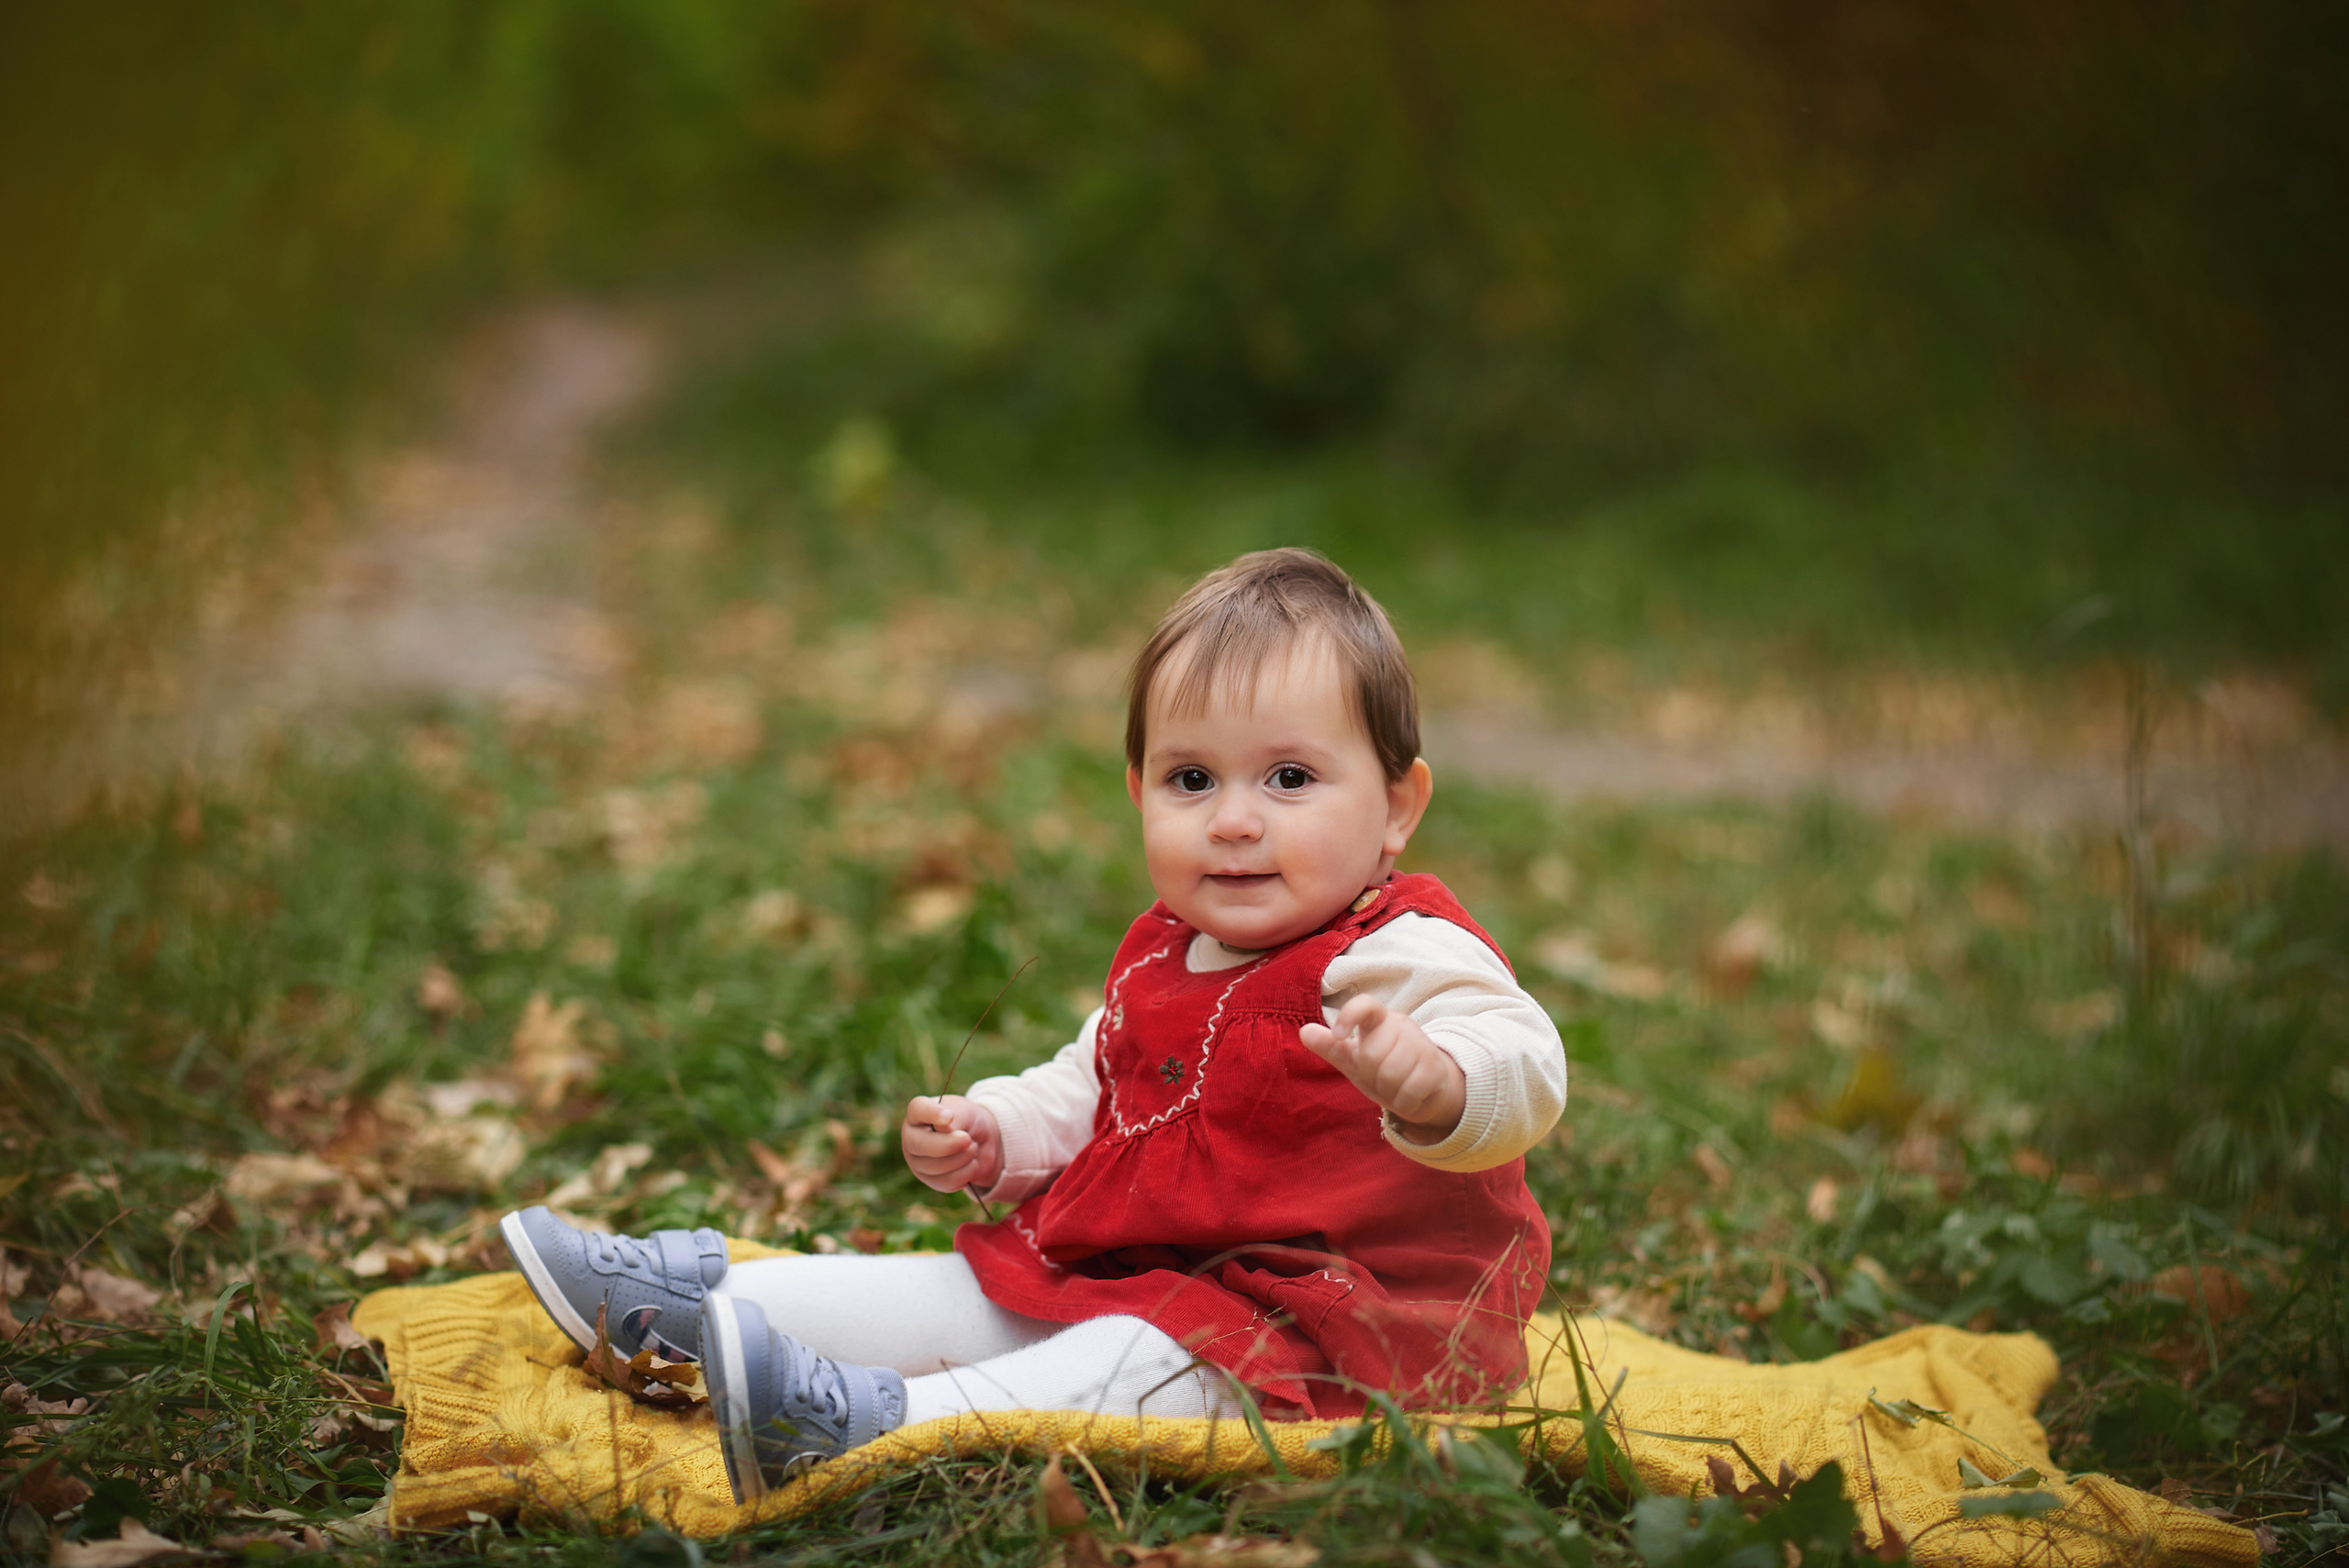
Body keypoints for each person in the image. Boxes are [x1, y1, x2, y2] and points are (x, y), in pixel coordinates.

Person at [499, 548, 1567, 1504]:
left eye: (1290, 778)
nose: (1235, 818)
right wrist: (997, 1128)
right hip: (1160, 1268)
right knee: (968, 1290)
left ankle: (878, 1422)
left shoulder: (1396, 952)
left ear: (1395, 806)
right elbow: (1091, 1081)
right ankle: (689, 1306)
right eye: (1191, 778)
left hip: (1335, 1326)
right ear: (1139, 791)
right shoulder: (1167, 949)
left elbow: (1525, 1059)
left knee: (1133, 1357)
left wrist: (1437, 1081)